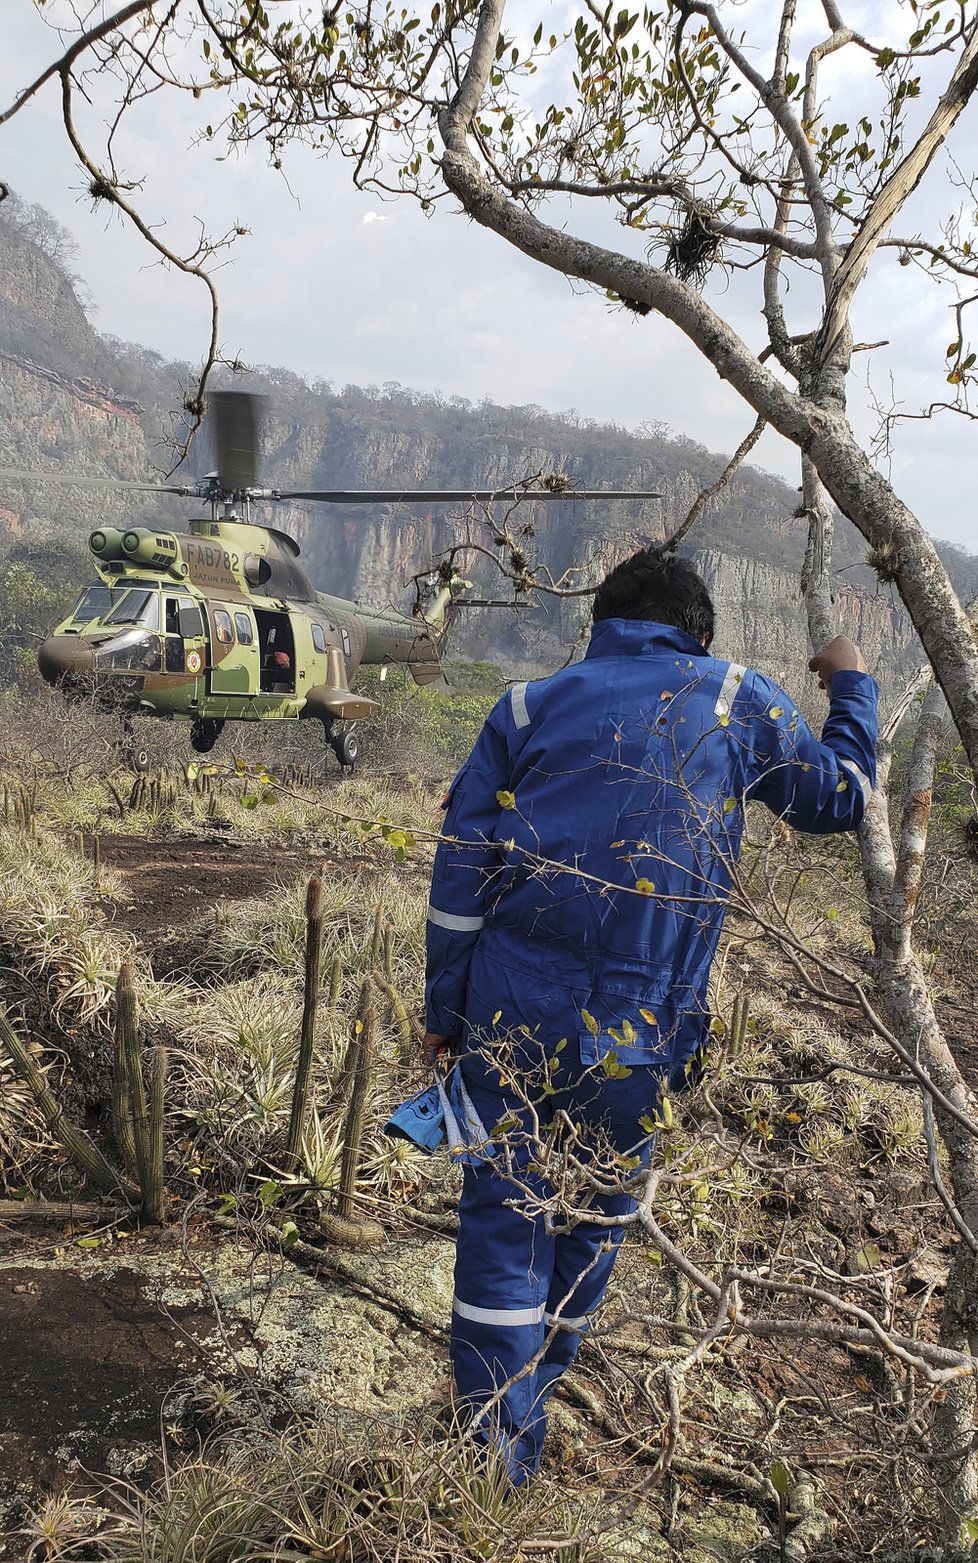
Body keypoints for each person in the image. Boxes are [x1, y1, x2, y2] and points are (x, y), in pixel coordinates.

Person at [422, 548, 878, 1484]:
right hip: (642, 1027)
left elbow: (460, 874)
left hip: (509, 1011)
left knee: (503, 1216)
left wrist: (446, 1009)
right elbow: (839, 795)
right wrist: (853, 680)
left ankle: (487, 1458)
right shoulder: (735, 698)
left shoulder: (525, 705)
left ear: (600, 625)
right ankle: (527, 1412)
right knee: (595, 1213)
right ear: (697, 633)